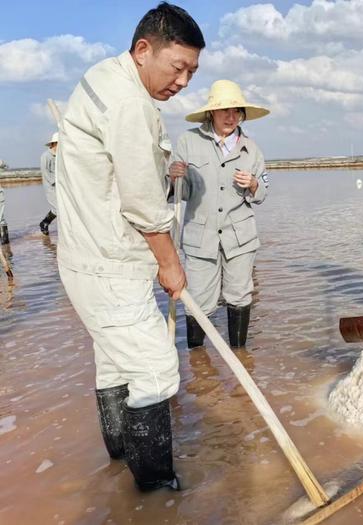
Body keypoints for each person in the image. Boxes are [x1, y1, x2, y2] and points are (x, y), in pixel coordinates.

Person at [55, 2, 204, 491]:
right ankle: (155, 492)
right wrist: (171, 265)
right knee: (159, 370)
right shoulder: (130, 104)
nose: (182, 81)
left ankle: (119, 464)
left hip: (88, 258)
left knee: (115, 362)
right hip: (109, 263)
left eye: (191, 72)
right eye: (177, 67)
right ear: (143, 50)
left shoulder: (105, 76)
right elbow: (142, 202)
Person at [169, 80, 270, 350]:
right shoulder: (188, 143)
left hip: (240, 238)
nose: (230, 116)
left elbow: (263, 193)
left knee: (239, 295)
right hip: (200, 238)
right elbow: (179, 193)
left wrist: (253, 184)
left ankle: (240, 357)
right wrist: (173, 179)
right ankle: (197, 356)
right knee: (199, 300)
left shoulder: (252, 149)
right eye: (224, 110)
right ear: (211, 112)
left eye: (236, 110)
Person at [39, 132, 59, 235]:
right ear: (54, 143)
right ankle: (44, 222)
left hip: (60, 187)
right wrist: (55, 181)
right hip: (50, 186)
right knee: (57, 208)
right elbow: (45, 172)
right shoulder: (45, 156)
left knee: (59, 208)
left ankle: (44, 223)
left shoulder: (60, 156)